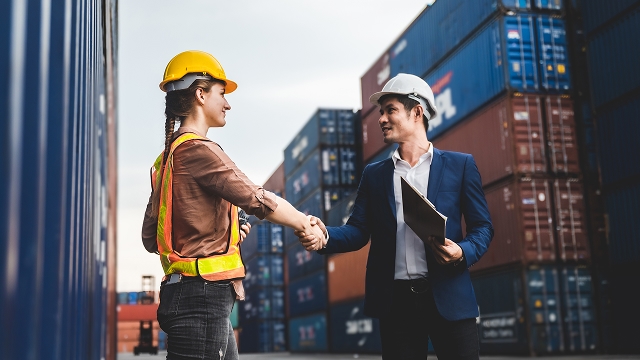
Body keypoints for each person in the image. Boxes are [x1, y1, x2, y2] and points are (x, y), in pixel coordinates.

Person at [141, 50, 323, 360]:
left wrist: (225, 231)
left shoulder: (165, 160)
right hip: (202, 298)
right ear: (200, 93)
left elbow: (150, 239)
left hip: (187, 294)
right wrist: (305, 224)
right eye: (221, 93)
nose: (227, 103)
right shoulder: (199, 150)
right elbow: (258, 199)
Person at [297, 73, 493, 360]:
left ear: (417, 112)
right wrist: (323, 235)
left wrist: (462, 251)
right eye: (380, 112)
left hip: (450, 298)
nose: (381, 119)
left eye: (390, 110)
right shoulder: (375, 175)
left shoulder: (461, 166)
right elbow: (357, 231)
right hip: (396, 304)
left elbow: (483, 227)